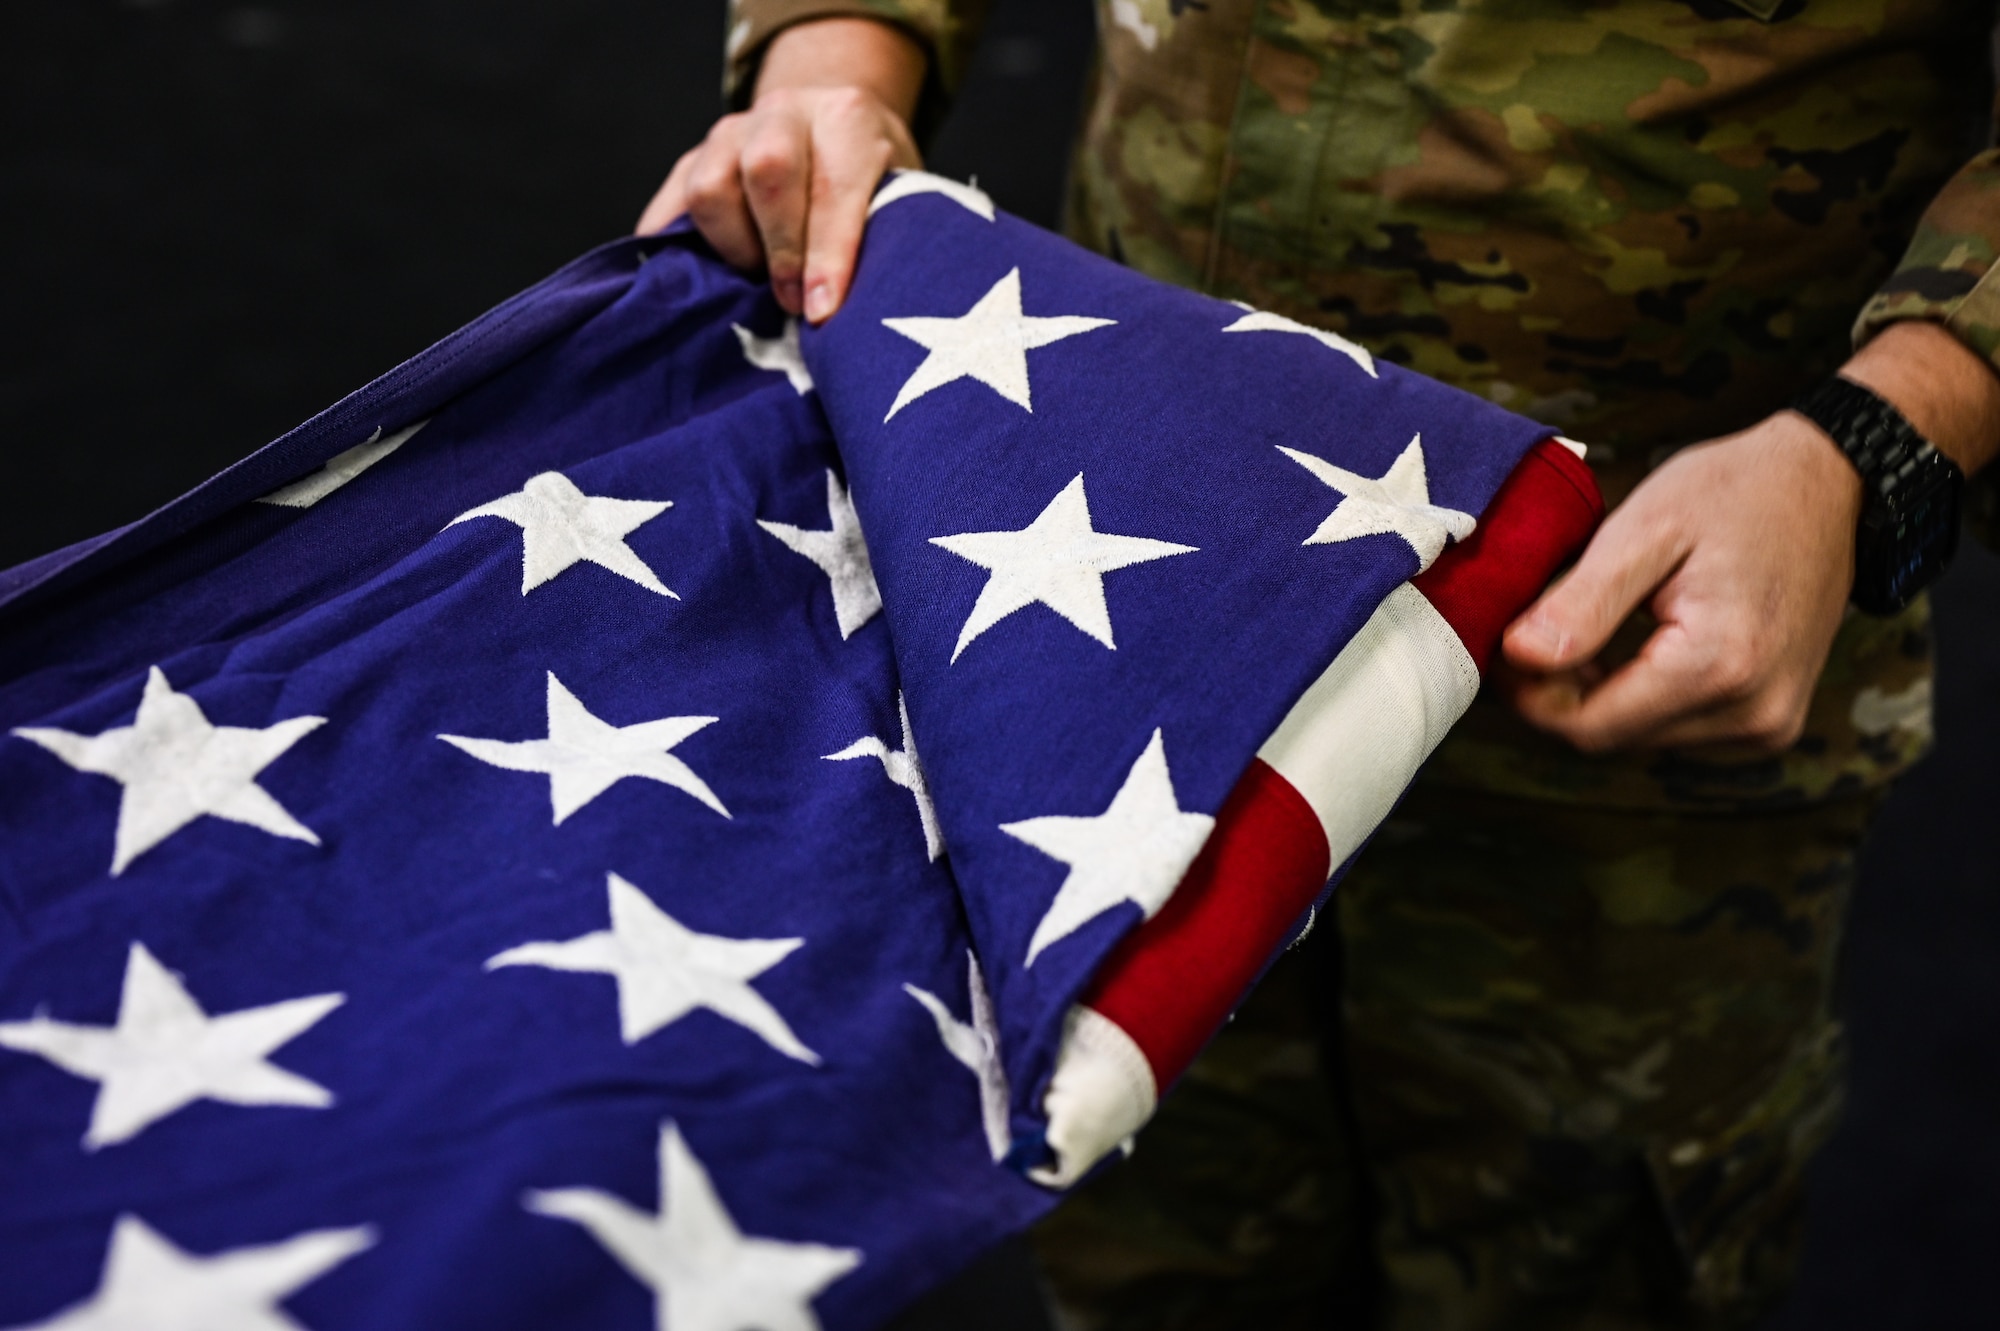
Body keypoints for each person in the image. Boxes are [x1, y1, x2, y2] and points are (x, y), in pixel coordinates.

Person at [644, 3, 2000, 1325]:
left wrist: (1881, 441)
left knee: (1573, 1265)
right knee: (1158, 1253)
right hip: (1123, 604)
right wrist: (832, 57)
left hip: (1629, 662)